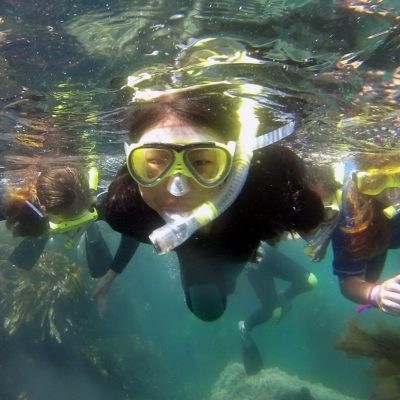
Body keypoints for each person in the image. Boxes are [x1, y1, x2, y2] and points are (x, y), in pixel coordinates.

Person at [100, 82, 325, 322]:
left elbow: (309, 216)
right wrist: (112, 274)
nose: (177, 189)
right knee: (207, 310)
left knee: (221, 288)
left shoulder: (265, 191)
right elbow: (133, 229)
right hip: (193, 252)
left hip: (239, 247)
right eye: (155, 160)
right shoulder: (124, 210)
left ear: (233, 163)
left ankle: (251, 263)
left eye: (202, 162)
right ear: (132, 160)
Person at [331, 152, 400, 316]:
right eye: (377, 181)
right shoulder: (355, 214)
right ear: (361, 182)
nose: (393, 193)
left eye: (398, 176)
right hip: (376, 237)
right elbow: (348, 283)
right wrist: (377, 294)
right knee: (370, 280)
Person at [238, 241, 318, 375]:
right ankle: (244, 328)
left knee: (310, 281)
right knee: (273, 311)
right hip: (250, 262)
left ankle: (282, 299)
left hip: (264, 249)